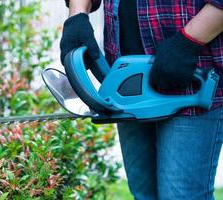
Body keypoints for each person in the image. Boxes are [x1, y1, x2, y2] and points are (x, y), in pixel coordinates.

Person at [60, 0, 223, 199]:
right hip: (126, 77)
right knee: (143, 193)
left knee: (181, 194)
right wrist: (77, 15)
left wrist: (187, 42)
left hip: (189, 71)